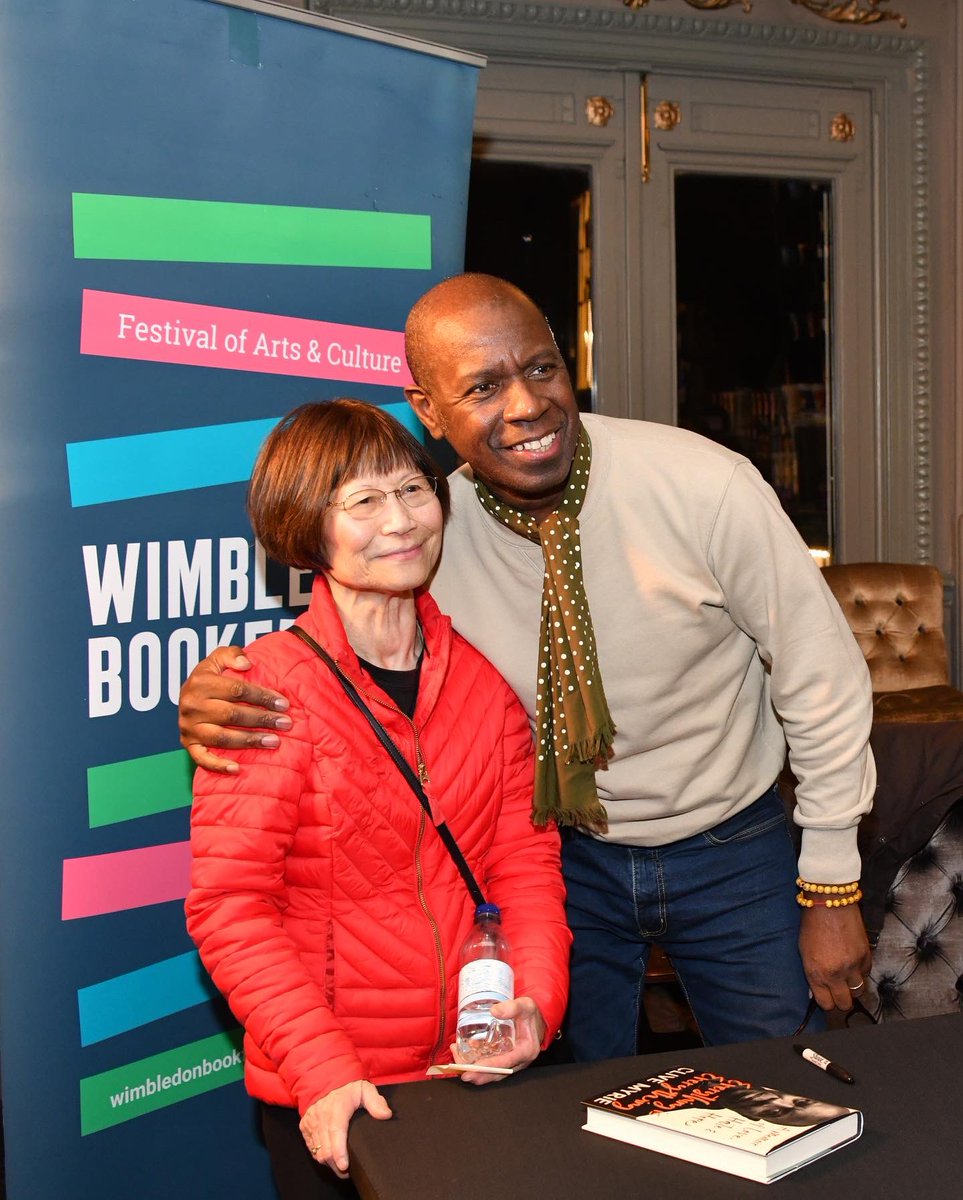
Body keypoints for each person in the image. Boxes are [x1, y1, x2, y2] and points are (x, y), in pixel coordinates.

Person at [180, 274, 876, 1063]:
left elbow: (820, 680)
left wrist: (829, 883)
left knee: (788, 1083)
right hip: (555, 866)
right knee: (566, 1117)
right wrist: (224, 687)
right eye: (481, 387)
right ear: (428, 410)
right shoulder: (429, 529)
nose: (524, 405)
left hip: (730, 848)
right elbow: (349, 652)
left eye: (541, 368)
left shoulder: (701, 484)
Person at [184, 398, 570, 1199]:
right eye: (361, 501)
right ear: (306, 526)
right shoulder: (264, 692)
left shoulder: (484, 685)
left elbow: (523, 868)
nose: (400, 520)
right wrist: (323, 1071)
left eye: (413, 490)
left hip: (476, 1073)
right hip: (340, 1089)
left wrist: (532, 1006)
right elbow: (232, 908)